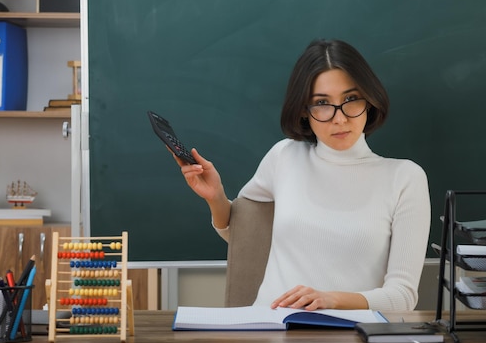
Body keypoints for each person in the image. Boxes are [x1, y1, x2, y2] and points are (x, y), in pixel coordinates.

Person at [171, 39, 431, 312]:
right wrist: (216, 198)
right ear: (304, 112)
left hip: (352, 335)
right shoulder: (285, 157)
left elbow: (403, 297)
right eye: (322, 103)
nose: (339, 118)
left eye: (351, 99)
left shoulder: (405, 178)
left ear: (370, 100)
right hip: (270, 327)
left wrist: (331, 300)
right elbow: (245, 238)